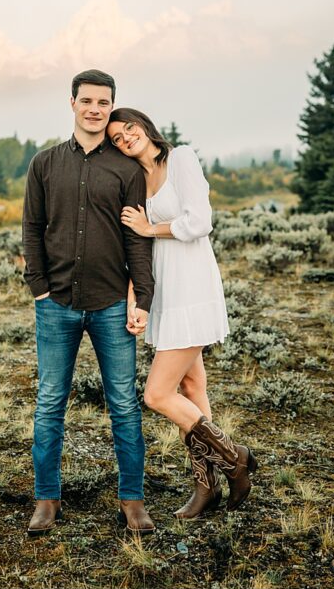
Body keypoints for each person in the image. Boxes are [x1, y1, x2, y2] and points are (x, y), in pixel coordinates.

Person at [21, 69, 156, 535]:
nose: (95, 109)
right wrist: (38, 287)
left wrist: (144, 297)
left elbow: (138, 240)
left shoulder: (126, 169)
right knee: (49, 403)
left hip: (111, 305)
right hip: (55, 303)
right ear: (73, 103)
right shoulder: (44, 164)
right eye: (87, 101)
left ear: (112, 104)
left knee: (123, 403)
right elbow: (32, 230)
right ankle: (46, 499)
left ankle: (133, 500)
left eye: (104, 102)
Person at [108, 108, 257, 517]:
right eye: (117, 139)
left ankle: (236, 459)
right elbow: (138, 250)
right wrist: (135, 297)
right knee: (192, 389)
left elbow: (199, 221)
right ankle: (205, 487)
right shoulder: (136, 180)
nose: (125, 139)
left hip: (192, 289)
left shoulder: (182, 159)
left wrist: (148, 228)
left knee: (158, 394)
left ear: (144, 125)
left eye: (129, 129)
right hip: (166, 293)